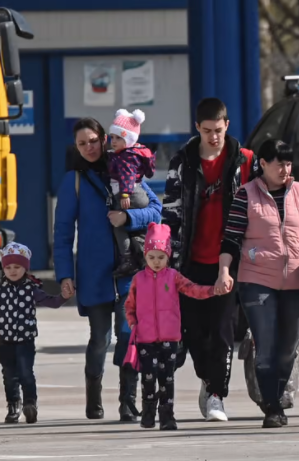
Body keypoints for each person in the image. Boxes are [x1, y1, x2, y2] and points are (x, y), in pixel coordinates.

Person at [54, 117, 162, 422]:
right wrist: (65, 276)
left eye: (93, 140)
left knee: (128, 335)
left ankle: (128, 400)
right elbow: (62, 234)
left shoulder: (129, 169)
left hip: (130, 271)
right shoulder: (73, 181)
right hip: (94, 274)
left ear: (105, 139)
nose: (89, 147)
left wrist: (128, 220)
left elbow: (156, 211)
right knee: (99, 337)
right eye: (81, 143)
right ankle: (93, 395)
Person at [162, 97, 256, 422]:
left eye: (218, 130)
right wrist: (166, 261)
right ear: (196, 128)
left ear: (227, 126)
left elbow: (261, 206)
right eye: (207, 131)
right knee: (193, 333)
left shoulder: (244, 161)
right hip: (190, 261)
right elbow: (170, 212)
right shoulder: (182, 161)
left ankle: (217, 394)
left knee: (222, 331)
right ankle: (207, 379)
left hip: (228, 262)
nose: (213, 137)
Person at [217, 139, 299, 428]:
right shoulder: (245, 195)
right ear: (262, 164)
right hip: (256, 280)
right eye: (278, 163)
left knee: (288, 349)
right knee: (267, 346)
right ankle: (272, 405)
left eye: (288, 163)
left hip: (296, 280)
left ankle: (276, 393)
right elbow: (231, 239)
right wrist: (224, 271)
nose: (285, 169)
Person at [125, 223, 217, 431]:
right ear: (145, 256)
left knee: (167, 379)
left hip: (170, 338)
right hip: (146, 339)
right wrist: (134, 325)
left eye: (160, 257)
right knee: (148, 378)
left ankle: (167, 415)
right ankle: (148, 411)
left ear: (168, 256)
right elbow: (129, 305)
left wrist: (212, 291)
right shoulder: (138, 280)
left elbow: (193, 290)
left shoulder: (174, 277)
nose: (156, 262)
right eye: (151, 257)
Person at [0, 243, 67, 424]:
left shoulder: (31, 288)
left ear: (25, 268)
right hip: (4, 341)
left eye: (17, 267)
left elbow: (51, 302)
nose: (12, 271)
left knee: (26, 372)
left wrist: (63, 297)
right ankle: (13, 405)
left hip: (25, 340)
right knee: (9, 374)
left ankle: (30, 404)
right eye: (8, 267)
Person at [108, 108, 157, 279]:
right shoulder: (133, 153)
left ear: (128, 139)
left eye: (118, 138)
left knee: (118, 225)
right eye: (112, 137)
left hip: (131, 193)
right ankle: (138, 255)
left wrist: (125, 195)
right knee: (133, 229)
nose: (113, 141)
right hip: (137, 192)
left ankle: (127, 257)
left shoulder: (126, 157)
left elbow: (127, 174)